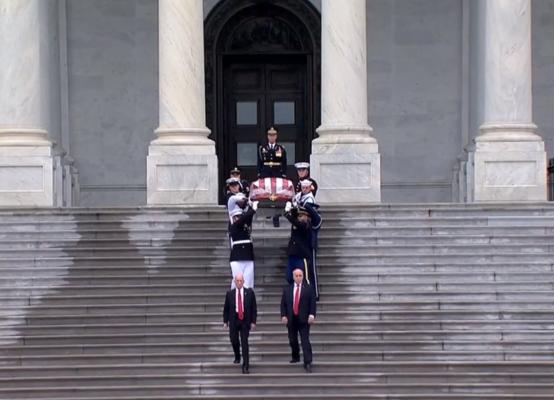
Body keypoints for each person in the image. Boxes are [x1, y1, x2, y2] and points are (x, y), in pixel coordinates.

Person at [280, 268, 316, 373]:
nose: (298, 277)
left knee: (305, 340)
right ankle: (295, 356)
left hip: (304, 319)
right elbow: (283, 304)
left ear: (303, 276)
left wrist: (312, 315)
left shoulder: (308, 289)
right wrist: (283, 316)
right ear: (293, 276)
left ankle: (308, 362)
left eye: (300, 275)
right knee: (292, 339)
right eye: (297, 275)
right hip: (291, 318)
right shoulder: (287, 289)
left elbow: (312, 303)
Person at [284, 202, 321, 300]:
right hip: (293, 255)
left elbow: (297, 223)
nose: (300, 217)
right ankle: (296, 294)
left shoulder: (306, 226)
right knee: (289, 277)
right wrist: (292, 206)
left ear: (307, 217)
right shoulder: (297, 223)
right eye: (299, 216)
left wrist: (287, 214)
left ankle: (309, 296)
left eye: (302, 215)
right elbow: (294, 217)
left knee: (306, 278)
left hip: (302, 256)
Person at [223, 273, 257, 374]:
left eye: (240, 281)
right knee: (234, 339)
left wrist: (253, 321)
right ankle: (237, 355)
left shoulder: (249, 293)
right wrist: (225, 321)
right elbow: (226, 309)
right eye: (237, 281)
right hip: (234, 319)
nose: (239, 283)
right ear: (234, 282)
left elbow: (254, 308)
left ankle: (246, 365)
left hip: (245, 321)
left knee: (244, 342)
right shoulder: (230, 294)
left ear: (243, 281)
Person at [228, 194, 257, 289]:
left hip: (248, 256)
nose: (238, 218)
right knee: (237, 283)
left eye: (240, 216)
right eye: (236, 216)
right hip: (237, 257)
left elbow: (247, 219)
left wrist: (250, 206)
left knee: (248, 284)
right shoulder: (234, 226)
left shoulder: (244, 224)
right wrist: (252, 210)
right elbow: (232, 200)